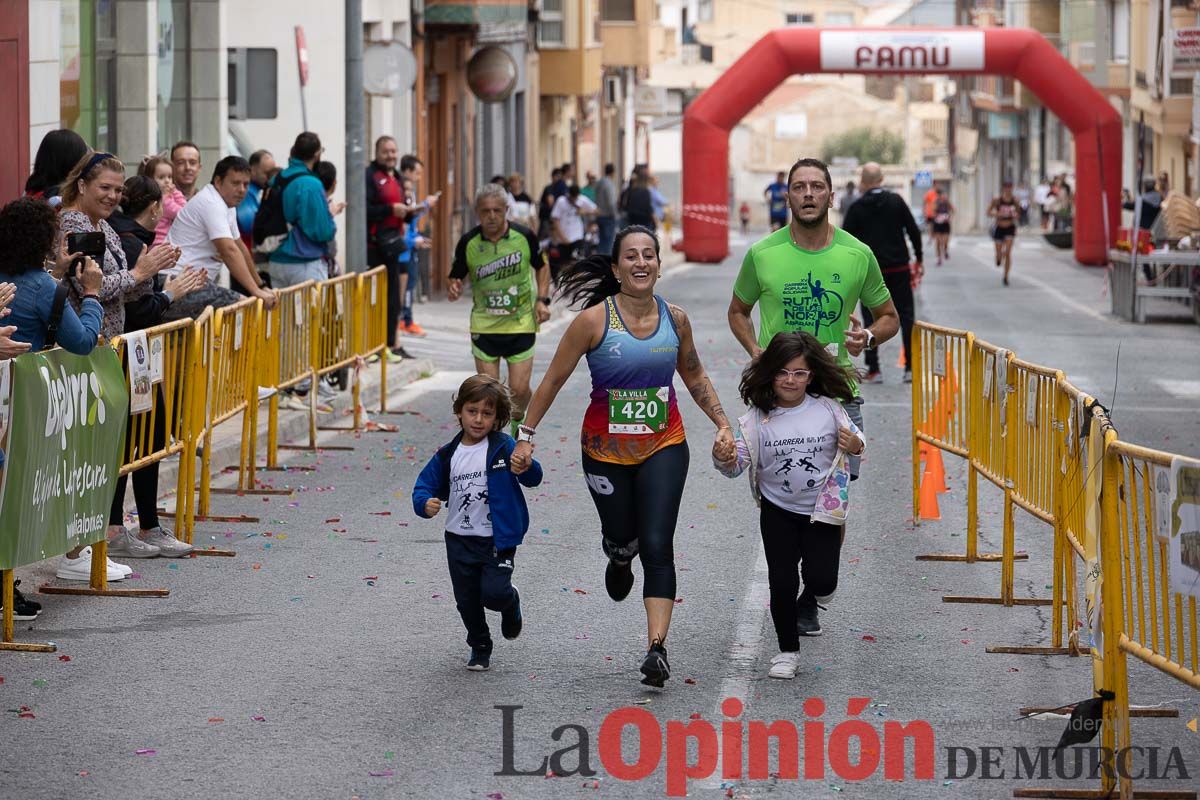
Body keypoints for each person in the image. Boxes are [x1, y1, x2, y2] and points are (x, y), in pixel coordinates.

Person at [510, 225, 735, 688]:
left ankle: (657, 648)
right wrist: (525, 434)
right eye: (630, 256)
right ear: (616, 268)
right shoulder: (592, 322)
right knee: (623, 535)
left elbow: (692, 375)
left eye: (648, 255)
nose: (641, 263)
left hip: (664, 444)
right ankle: (617, 554)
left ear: (658, 264)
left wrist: (722, 423)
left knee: (657, 543)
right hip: (604, 452)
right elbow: (551, 380)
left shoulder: (676, 319)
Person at [727, 156, 898, 481]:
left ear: (831, 197)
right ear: (788, 196)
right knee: (778, 494)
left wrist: (869, 337)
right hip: (779, 392)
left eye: (817, 187)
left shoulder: (858, 254)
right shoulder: (762, 254)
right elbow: (738, 311)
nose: (808, 194)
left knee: (833, 504)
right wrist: (754, 349)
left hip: (837, 390)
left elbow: (889, 316)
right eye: (799, 187)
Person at [714, 332, 864, 679]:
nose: (791, 380)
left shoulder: (828, 408)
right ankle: (787, 651)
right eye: (782, 372)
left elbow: (858, 442)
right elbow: (736, 465)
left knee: (821, 580)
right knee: (781, 582)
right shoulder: (756, 419)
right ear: (770, 374)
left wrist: (855, 443)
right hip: (777, 510)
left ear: (811, 375)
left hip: (821, 512)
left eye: (799, 373)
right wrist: (723, 457)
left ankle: (819, 593)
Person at [0, 196, 122, 581]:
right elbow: (84, 341)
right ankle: (23, 580)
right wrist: (90, 294)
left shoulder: (18, 280)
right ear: (45, 241)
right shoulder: (42, 287)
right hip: (30, 404)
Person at [412, 375, 543, 671]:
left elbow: (533, 478)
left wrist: (525, 465)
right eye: (472, 411)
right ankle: (480, 645)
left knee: (494, 594)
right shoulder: (448, 454)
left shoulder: (503, 446)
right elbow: (424, 485)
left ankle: (510, 604)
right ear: (460, 411)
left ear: (498, 417)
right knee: (467, 600)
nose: (479, 419)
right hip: (458, 539)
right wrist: (424, 503)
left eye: (487, 413)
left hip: (496, 539)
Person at [106, 176, 205, 559]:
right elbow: (135, 309)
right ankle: (119, 527)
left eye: (116, 191)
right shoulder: (130, 242)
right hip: (128, 352)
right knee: (133, 441)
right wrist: (172, 293)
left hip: (140, 354)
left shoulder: (126, 239)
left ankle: (147, 525)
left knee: (149, 437)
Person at [449, 183, 551, 433]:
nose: (492, 216)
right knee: (488, 392)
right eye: (486, 211)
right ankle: (493, 440)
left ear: (506, 209)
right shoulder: (468, 242)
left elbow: (543, 266)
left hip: (520, 322)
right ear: (477, 212)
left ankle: (517, 419)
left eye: (497, 210)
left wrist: (542, 300)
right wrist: (453, 286)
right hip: (485, 325)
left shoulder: (524, 236)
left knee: (517, 390)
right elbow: (455, 275)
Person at [59, 152, 175, 343]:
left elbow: (125, 290)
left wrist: (151, 267)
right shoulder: (73, 224)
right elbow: (90, 286)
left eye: (119, 190)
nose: (112, 196)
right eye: (105, 187)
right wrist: (137, 274)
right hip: (83, 349)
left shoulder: (103, 224)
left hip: (109, 344)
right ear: (82, 185)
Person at [165, 155, 277, 320]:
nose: (242, 190)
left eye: (246, 184)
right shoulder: (211, 203)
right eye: (235, 183)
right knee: (244, 309)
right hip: (177, 281)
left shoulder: (227, 204)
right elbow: (229, 250)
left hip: (194, 282)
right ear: (218, 182)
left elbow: (239, 247)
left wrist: (261, 285)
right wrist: (256, 292)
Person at [841, 162, 922, 384]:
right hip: (899, 267)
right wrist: (919, 258)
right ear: (882, 179)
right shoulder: (896, 201)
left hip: (870, 272)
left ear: (863, 182)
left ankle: (874, 368)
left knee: (869, 317)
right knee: (906, 316)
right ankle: (910, 368)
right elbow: (913, 230)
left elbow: (845, 241)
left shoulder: (856, 207)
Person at [367, 138, 437, 359]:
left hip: (395, 245)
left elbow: (402, 211)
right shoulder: (370, 176)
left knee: (394, 298)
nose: (390, 155)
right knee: (376, 298)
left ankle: (391, 343)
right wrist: (390, 210)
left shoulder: (396, 177)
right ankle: (376, 346)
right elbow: (365, 209)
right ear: (376, 152)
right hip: (375, 245)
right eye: (385, 151)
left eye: (393, 151)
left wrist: (410, 210)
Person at [266, 132, 337, 290]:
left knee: (283, 315)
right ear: (317, 154)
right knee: (311, 315)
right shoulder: (310, 184)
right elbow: (322, 231)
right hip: (304, 264)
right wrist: (330, 217)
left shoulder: (277, 179)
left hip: (276, 261)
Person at [397, 154, 435, 337]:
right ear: (407, 172)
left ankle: (406, 318)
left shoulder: (409, 194)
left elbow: (410, 219)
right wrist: (414, 240)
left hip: (409, 249)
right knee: (407, 287)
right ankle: (405, 320)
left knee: (410, 285)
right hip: (403, 252)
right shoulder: (403, 194)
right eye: (417, 173)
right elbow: (402, 227)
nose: (419, 178)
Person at [23, 128, 89, 207]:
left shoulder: (32, 190)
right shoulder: (63, 199)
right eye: (83, 158)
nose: (85, 163)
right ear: (72, 162)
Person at [550, 184, 598, 279]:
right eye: (573, 198)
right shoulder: (561, 201)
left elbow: (596, 210)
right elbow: (555, 220)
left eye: (576, 198)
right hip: (563, 238)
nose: (575, 200)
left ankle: (576, 282)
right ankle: (561, 281)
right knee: (562, 262)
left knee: (577, 261)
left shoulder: (582, 199)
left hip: (577, 236)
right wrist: (561, 237)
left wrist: (583, 212)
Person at [140, 155, 186, 246]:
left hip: (167, 241)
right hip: (158, 243)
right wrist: (172, 194)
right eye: (161, 177)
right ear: (150, 180)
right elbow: (182, 213)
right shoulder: (161, 201)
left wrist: (174, 192)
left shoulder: (167, 196)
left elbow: (186, 208)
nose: (167, 181)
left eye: (169, 177)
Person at [237, 149, 276, 249]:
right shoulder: (246, 192)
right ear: (253, 170)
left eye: (273, 173)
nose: (270, 178)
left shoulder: (261, 190)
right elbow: (249, 225)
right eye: (266, 173)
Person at [987, 180, 1020, 286]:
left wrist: (1015, 215)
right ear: (1003, 188)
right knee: (999, 253)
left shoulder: (1015, 201)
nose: (1008, 189)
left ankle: (1005, 276)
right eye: (1006, 187)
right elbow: (988, 212)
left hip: (1010, 227)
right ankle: (998, 257)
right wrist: (997, 214)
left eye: (1010, 187)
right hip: (999, 227)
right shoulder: (997, 200)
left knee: (1008, 253)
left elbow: (1018, 214)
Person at [594, 164, 618, 256]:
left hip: (599, 215)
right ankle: (605, 265)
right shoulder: (609, 184)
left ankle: (599, 263)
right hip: (608, 216)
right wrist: (615, 215)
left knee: (602, 241)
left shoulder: (599, 182)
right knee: (608, 243)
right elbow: (611, 201)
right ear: (613, 172)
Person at [930, 186, 954, 266]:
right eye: (941, 195)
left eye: (944, 195)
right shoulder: (935, 201)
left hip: (946, 224)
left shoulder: (947, 202)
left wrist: (949, 217)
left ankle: (946, 250)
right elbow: (933, 212)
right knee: (938, 242)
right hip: (937, 223)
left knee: (945, 241)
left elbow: (953, 210)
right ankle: (939, 258)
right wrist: (937, 215)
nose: (943, 196)